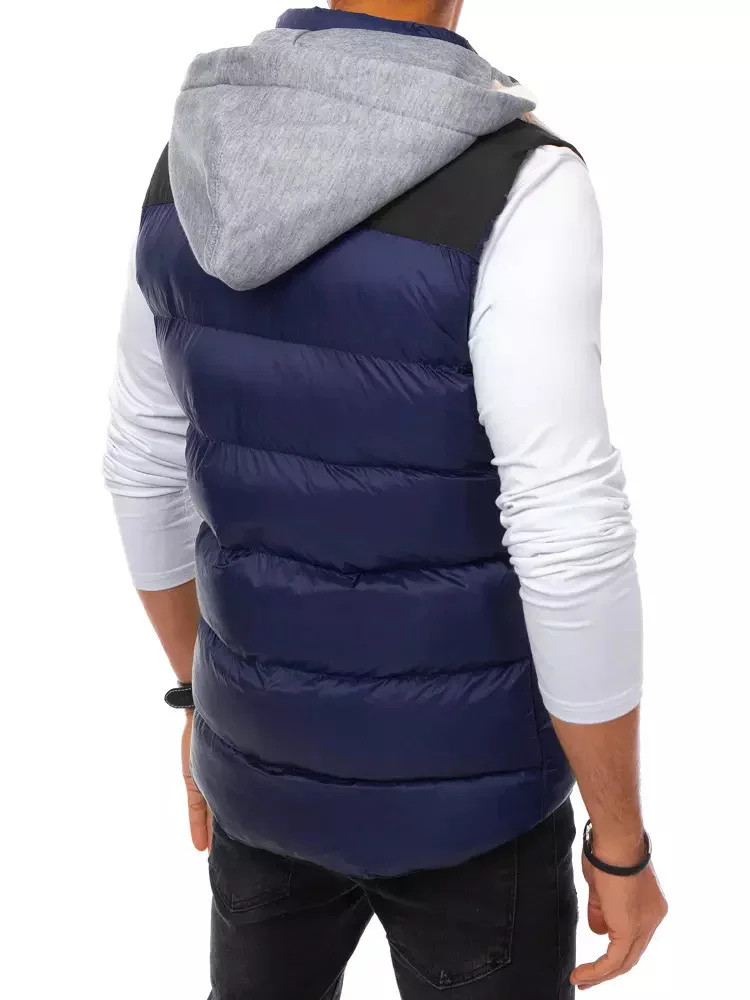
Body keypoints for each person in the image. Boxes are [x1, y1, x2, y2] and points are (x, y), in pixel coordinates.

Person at [103, 2, 667, 997]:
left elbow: (140, 464)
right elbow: (568, 531)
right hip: (474, 812)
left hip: (260, 776)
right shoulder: (521, 182)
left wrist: (202, 701)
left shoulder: (196, 159)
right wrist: (619, 843)